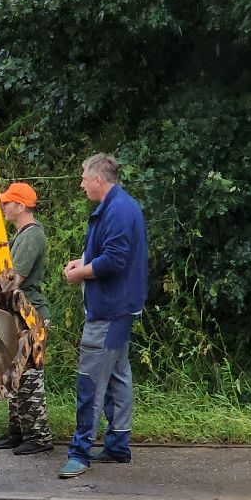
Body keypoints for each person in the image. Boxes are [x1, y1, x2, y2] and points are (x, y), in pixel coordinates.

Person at [58, 153, 147, 479]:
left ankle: (79, 454)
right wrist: (80, 261)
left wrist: (79, 274)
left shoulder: (119, 211)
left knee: (91, 381)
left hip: (109, 312)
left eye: (84, 177)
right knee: (118, 375)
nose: (81, 183)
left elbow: (115, 261)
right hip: (119, 308)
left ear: (99, 179)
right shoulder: (117, 206)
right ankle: (118, 444)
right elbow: (104, 250)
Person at [0, 181, 52, 455]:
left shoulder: (31, 237)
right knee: (16, 375)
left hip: (32, 316)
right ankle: (18, 431)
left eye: (7, 202)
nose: (3, 206)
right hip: (20, 315)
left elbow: (15, 279)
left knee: (29, 376)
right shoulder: (21, 235)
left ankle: (39, 436)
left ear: (20, 206)